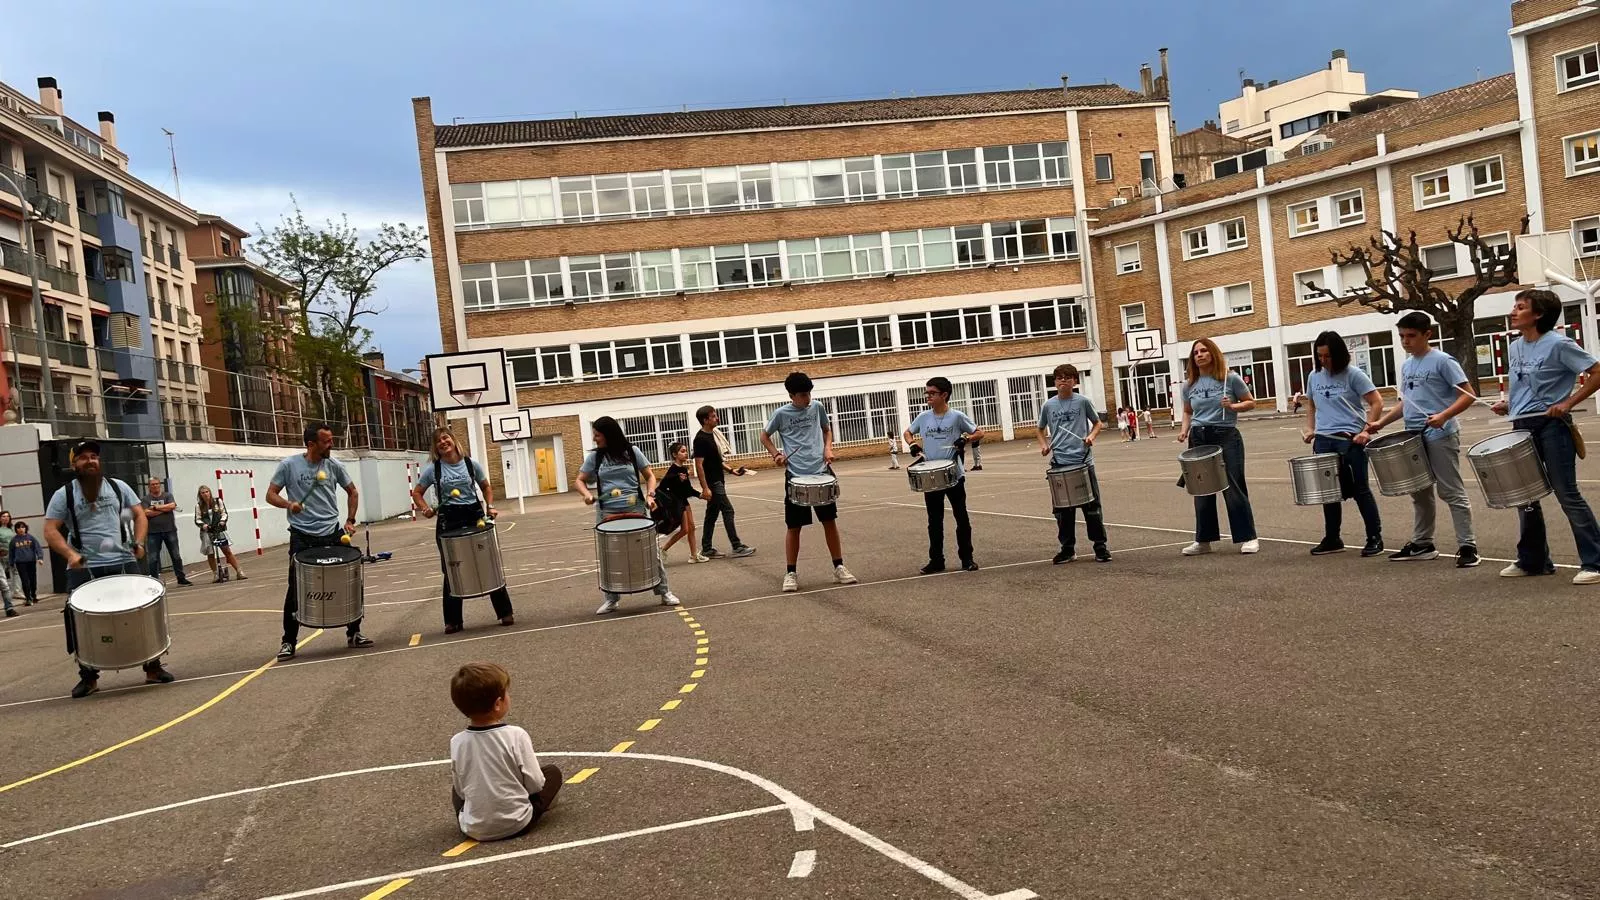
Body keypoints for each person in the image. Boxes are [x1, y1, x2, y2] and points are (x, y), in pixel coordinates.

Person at [43, 439, 173, 698]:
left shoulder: (118, 486)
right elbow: (50, 530)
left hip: (122, 560)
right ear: (74, 463)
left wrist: (138, 542)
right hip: (83, 568)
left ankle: (152, 666)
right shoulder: (64, 494)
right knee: (80, 623)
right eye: (83, 457)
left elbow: (139, 514)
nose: (90, 460)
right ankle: (88, 677)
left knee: (137, 614)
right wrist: (70, 554)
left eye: (94, 456)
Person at [1492, 289, 1600, 583]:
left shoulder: (1559, 344)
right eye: (1514, 306)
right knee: (1525, 496)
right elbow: (1522, 386)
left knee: (1566, 493)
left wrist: (1568, 403)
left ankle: (1595, 562)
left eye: (1520, 307)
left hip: (1552, 425)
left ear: (1538, 314)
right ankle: (1533, 560)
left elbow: (1597, 371)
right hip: (1521, 425)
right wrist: (1509, 405)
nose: (1513, 311)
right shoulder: (1514, 347)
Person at [1365, 312, 1479, 568]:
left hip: (1440, 433)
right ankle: (1423, 543)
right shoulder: (1407, 366)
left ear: (1427, 334)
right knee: (1420, 492)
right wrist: (1380, 423)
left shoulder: (1443, 361)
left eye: (1411, 336)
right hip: (1412, 435)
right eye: (1402, 336)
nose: (1406, 341)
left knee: (1450, 490)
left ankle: (1468, 545)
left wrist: (1444, 416)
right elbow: (1408, 403)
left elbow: (1468, 395)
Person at [267, 423, 371, 660]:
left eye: (331, 440)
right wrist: (288, 504)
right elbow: (270, 494)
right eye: (326, 441)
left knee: (349, 581)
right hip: (302, 536)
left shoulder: (334, 465)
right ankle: (288, 642)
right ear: (311, 444)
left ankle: (354, 632)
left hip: (332, 532)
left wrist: (351, 520)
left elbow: (352, 492)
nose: (330, 445)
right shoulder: (289, 466)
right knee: (295, 587)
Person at [411, 428, 516, 632]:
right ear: (436, 448)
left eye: (445, 438)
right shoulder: (434, 469)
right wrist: (425, 508)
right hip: (448, 519)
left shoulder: (470, 464)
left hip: (473, 515)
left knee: (487, 561)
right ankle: (453, 621)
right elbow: (417, 492)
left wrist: (490, 506)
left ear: (453, 440)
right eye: (438, 441)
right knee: (451, 568)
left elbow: (486, 487)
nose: (443, 442)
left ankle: (505, 613)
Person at [762, 372, 857, 592]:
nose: (807, 398)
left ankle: (839, 567)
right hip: (795, 475)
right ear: (791, 395)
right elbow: (764, 436)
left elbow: (826, 430)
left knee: (829, 521)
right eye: (803, 395)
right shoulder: (781, 414)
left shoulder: (817, 407)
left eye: (809, 393)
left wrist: (828, 447)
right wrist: (776, 454)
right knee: (794, 527)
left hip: (821, 471)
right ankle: (791, 573)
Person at [577, 416, 682, 613]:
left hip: (635, 508)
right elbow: (579, 480)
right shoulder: (596, 457)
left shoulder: (632, 452)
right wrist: (586, 495)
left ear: (609, 435)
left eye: (597, 435)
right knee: (609, 555)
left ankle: (664, 591)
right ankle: (611, 599)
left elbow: (649, 475)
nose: (595, 439)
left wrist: (651, 496)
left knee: (650, 551)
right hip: (606, 511)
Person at [449, 662, 563, 841]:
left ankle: (478, 817)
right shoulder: (516, 735)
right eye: (506, 693)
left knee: (456, 790)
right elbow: (535, 783)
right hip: (517, 823)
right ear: (497, 704)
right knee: (552, 773)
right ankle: (526, 810)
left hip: (473, 829)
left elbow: (461, 791)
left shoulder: (457, 742)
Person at [1302, 331, 1384, 556]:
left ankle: (1374, 537)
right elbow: (1311, 405)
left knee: (1360, 490)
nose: (1323, 361)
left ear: (1338, 354)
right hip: (1324, 441)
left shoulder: (1353, 374)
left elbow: (1376, 401)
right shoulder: (1314, 376)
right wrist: (1311, 429)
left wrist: (1366, 430)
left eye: (1327, 356)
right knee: (1328, 492)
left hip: (1350, 440)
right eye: (1319, 356)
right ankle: (1332, 538)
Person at [1179, 338, 1260, 556]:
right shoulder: (1189, 385)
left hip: (1225, 434)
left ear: (1213, 353)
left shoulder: (1229, 379)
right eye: (1195, 352)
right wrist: (1184, 430)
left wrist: (1233, 406)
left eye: (1204, 351)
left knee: (1233, 486)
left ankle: (1248, 537)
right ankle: (1203, 540)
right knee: (1202, 489)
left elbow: (1250, 402)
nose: (1199, 355)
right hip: (1199, 436)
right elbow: (1188, 411)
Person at [905, 377, 981, 574]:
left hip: (954, 474)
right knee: (934, 521)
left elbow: (979, 433)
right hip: (931, 475)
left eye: (932, 393)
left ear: (944, 395)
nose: (928, 396)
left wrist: (965, 438)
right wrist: (913, 444)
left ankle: (967, 558)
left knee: (961, 518)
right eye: (927, 393)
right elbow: (907, 433)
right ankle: (936, 560)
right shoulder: (923, 417)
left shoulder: (956, 416)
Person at [1038, 364, 1111, 563]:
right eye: (1059, 378)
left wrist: (1091, 437)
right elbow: (1040, 429)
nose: (1063, 381)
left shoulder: (1082, 402)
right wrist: (1045, 445)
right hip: (1060, 462)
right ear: (1054, 382)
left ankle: (1100, 546)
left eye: (1068, 378)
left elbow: (1097, 423)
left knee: (1092, 507)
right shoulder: (1048, 405)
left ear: (1075, 381)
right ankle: (1067, 549)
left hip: (1083, 461)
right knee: (1063, 510)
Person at [691, 406, 755, 559]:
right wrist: (705, 488)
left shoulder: (712, 435)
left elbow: (717, 460)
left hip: (719, 480)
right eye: (713, 416)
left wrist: (732, 471)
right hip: (713, 483)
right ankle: (737, 546)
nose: (717, 418)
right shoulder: (700, 439)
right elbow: (699, 465)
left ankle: (706, 549)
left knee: (711, 515)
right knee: (728, 510)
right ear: (705, 420)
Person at [658, 441, 707, 563]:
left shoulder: (683, 470)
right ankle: (663, 549)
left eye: (686, 451)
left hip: (684, 502)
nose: (686, 454)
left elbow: (688, 489)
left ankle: (694, 555)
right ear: (675, 454)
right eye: (682, 451)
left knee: (691, 527)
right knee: (685, 529)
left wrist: (700, 495)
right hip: (677, 504)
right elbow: (662, 486)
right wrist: (676, 480)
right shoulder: (673, 470)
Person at [143, 477, 194, 587]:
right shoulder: (146, 499)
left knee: (175, 555)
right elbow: (146, 513)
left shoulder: (167, 495)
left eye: (157, 484)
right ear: (149, 486)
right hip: (153, 532)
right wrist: (164, 510)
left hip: (170, 530)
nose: (155, 486)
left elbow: (172, 505)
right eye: (152, 484)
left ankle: (181, 578)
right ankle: (154, 582)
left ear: (159, 485)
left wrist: (156, 508)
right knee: (153, 558)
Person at [195, 485, 248, 583]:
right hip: (207, 531)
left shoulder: (217, 501)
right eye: (203, 493)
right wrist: (204, 525)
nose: (205, 494)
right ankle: (215, 574)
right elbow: (197, 519)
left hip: (218, 529)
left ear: (210, 492)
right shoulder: (199, 506)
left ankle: (239, 571)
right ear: (200, 495)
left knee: (226, 550)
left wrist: (222, 521)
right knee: (210, 552)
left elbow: (224, 513)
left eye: (207, 492)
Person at [8, 521, 39, 607]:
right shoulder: (14, 540)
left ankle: (33, 594)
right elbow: (11, 552)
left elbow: (37, 548)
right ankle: (28, 598)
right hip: (20, 563)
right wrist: (11, 562)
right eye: (18, 528)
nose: (21, 529)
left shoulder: (31, 538)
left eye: (22, 527)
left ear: (25, 528)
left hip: (31, 561)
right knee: (25, 580)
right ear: (16, 530)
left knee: (32, 579)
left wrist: (40, 558)